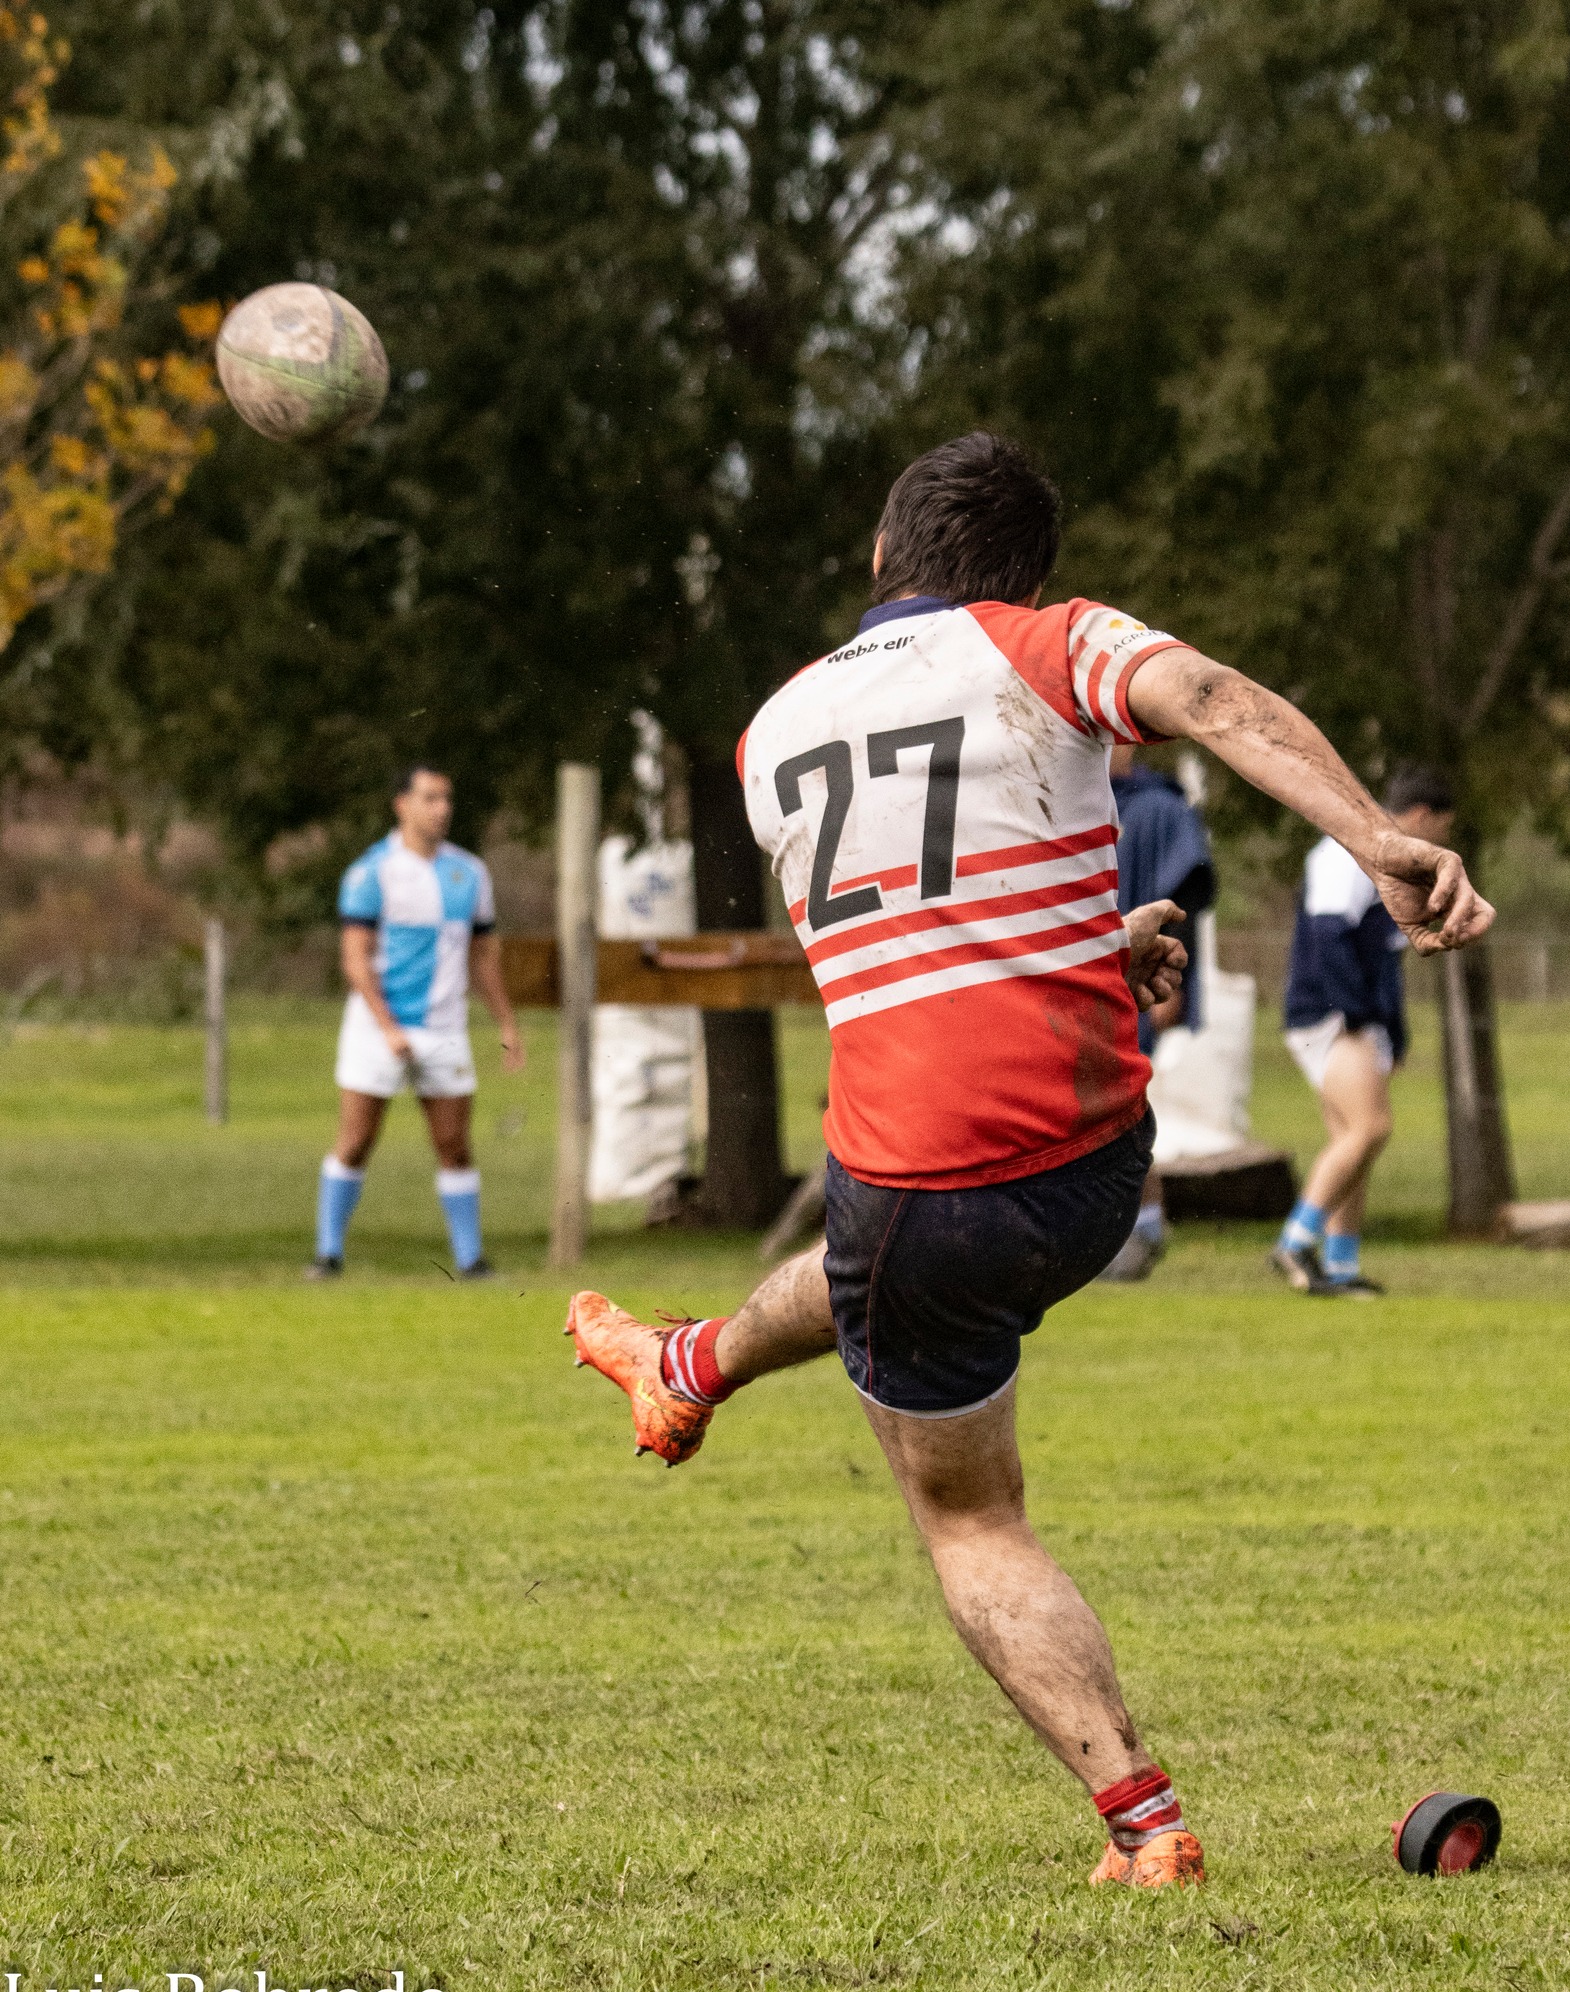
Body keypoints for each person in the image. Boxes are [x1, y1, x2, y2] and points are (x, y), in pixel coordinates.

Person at [565, 435, 1492, 1890]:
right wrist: (1371, 839)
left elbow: (890, 942)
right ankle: (684, 1369)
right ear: (1029, 574)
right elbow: (1209, 700)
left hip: (923, 1175)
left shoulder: (767, 736)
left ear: (882, 556)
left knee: (967, 1507)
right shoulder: (1052, 644)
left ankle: (1144, 1824)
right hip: (1094, 1169)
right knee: (876, 1276)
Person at [308, 766, 523, 1280]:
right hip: (376, 1029)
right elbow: (355, 961)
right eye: (430, 798)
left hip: (445, 1028)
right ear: (401, 805)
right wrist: (387, 1028)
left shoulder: (469, 873)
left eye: (446, 798)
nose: (442, 808)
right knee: (357, 1140)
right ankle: (328, 1253)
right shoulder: (372, 872)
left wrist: (505, 1024)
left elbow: (483, 957)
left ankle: (471, 1260)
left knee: (453, 1143)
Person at [1271, 765, 1456, 1298]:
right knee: (1370, 1128)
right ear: (1422, 815)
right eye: (1442, 827)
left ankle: (1340, 1266)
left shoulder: (1394, 868)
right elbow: (1329, 937)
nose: (1442, 840)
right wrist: (1354, 1016)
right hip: (1329, 1015)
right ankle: (1294, 1240)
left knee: (1352, 1141)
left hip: (1360, 1018)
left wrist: (1393, 1033)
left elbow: (1385, 959)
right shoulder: (1344, 853)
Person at [1099, 747, 1216, 1279]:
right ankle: (1123, 1226)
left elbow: (1184, 894)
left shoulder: (1159, 807)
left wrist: (1175, 984)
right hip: (1083, 980)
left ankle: (1143, 1223)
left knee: (1122, 1099)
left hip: (1142, 981)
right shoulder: (1079, 802)